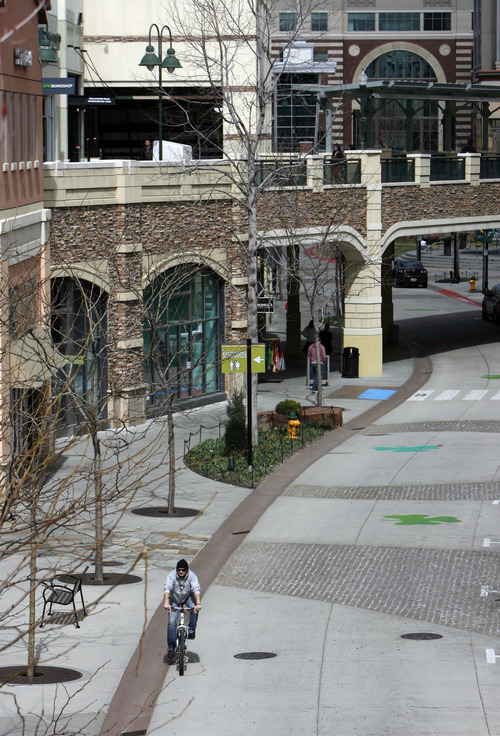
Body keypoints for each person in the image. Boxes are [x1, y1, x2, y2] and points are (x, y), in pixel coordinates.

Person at [163, 559, 201, 658]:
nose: (180, 572)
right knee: (171, 623)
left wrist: (198, 603)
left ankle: (191, 630)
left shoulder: (192, 576)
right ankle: (171, 648)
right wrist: (166, 602)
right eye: (179, 570)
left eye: (183, 570)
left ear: (187, 570)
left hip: (187, 596)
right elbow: (167, 587)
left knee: (194, 609)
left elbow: (196, 589)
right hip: (175, 598)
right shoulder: (171, 575)